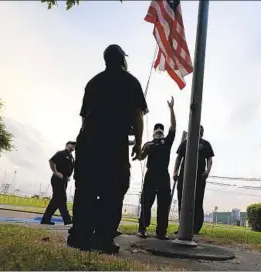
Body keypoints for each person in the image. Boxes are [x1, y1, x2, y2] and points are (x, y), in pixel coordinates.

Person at [67, 44, 148, 254]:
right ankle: (102, 239)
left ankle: (79, 236)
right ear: (122, 60)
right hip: (113, 141)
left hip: (88, 139)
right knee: (113, 190)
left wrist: (83, 142)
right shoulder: (131, 81)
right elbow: (138, 115)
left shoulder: (93, 82)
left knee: (85, 188)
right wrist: (139, 143)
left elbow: (85, 118)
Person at [137, 97, 176, 240]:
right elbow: (140, 157)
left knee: (163, 205)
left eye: (161, 130)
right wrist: (141, 149)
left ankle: (161, 232)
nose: (159, 131)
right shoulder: (148, 144)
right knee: (146, 202)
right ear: (153, 133)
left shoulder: (167, 143)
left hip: (163, 176)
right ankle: (142, 228)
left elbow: (173, 127)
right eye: (156, 130)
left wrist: (171, 109)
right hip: (151, 175)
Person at [173, 125, 214, 235]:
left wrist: (207, 171)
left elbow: (209, 159)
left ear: (202, 133)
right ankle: (183, 227)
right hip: (184, 176)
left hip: (199, 177)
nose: (199, 133)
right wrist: (175, 172)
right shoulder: (185, 143)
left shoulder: (205, 144)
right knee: (182, 200)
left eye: (201, 132)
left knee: (197, 201)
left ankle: (195, 228)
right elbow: (179, 158)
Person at [41, 141, 76, 225]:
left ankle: (45, 219)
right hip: (57, 179)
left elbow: (69, 169)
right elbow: (52, 161)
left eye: (75, 146)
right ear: (67, 145)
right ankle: (67, 220)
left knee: (56, 200)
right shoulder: (61, 153)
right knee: (62, 198)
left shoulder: (71, 157)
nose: (73, 147)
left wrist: (68, 176)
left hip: (64, 180)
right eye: (72, 145)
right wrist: (56, 172)